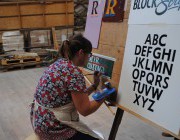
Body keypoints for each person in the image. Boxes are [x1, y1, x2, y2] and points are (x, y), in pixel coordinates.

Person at [30, 34, 106, 140]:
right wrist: (105, 95)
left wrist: (94, 86)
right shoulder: (73, 72)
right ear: (81, 53)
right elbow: (85, 110)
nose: (89, 58)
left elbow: (75, 98)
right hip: (53, 128)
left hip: (40, 122)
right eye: (89, 55)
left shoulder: (59, 63)